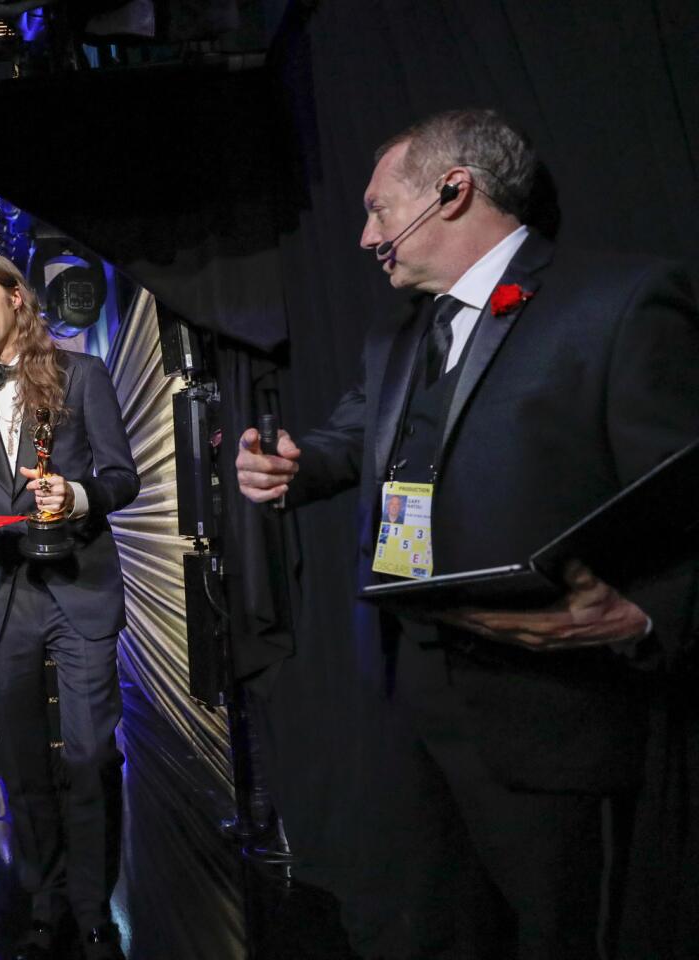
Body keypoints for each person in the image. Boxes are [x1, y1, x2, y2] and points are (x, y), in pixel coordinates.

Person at [235, 108, 699, 958]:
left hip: (555, 708)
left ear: (454, 192)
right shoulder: (399, 336)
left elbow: (686, 497)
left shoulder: (618, 302)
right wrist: (296, 466)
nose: (367, 234)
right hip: (414, 695)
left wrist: (647, 612)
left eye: (379, 208)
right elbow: (353, 437)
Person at [0, 252, 139, 960]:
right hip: (1, 592)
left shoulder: (84, 376)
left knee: (88, 756)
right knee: (21, 766)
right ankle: (46, 905)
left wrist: (75, 496)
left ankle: (94, 912)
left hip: (78, 585)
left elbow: (121, 476)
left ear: (18, 297)